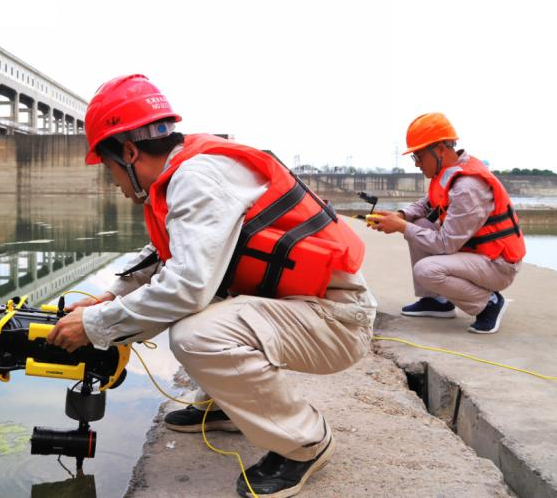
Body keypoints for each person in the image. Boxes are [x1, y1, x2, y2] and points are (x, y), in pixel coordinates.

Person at [46, 74, 376, 497]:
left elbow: (185, 286)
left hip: (337, 321)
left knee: (195, 332)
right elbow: (170, 255)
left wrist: (95, 325)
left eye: (109, 167)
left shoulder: (195, 179)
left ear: (129, 152)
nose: (112, 181)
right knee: (192, 306)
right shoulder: (190, 171)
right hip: (306, 309)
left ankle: (305, 442)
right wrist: (113, 297)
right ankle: (229, 408)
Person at [367, 113, 525, 334]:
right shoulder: (448, 174)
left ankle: (489, 303)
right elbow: (426, 204)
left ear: (440, 149)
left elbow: (445, 244)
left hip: (497, 264)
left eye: (419, 157)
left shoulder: (468, 187)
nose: (417, 164)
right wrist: (402, 215)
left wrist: (402, 227)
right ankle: (437, 301)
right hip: (477, 255)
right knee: (420, 222)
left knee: (426, 270)